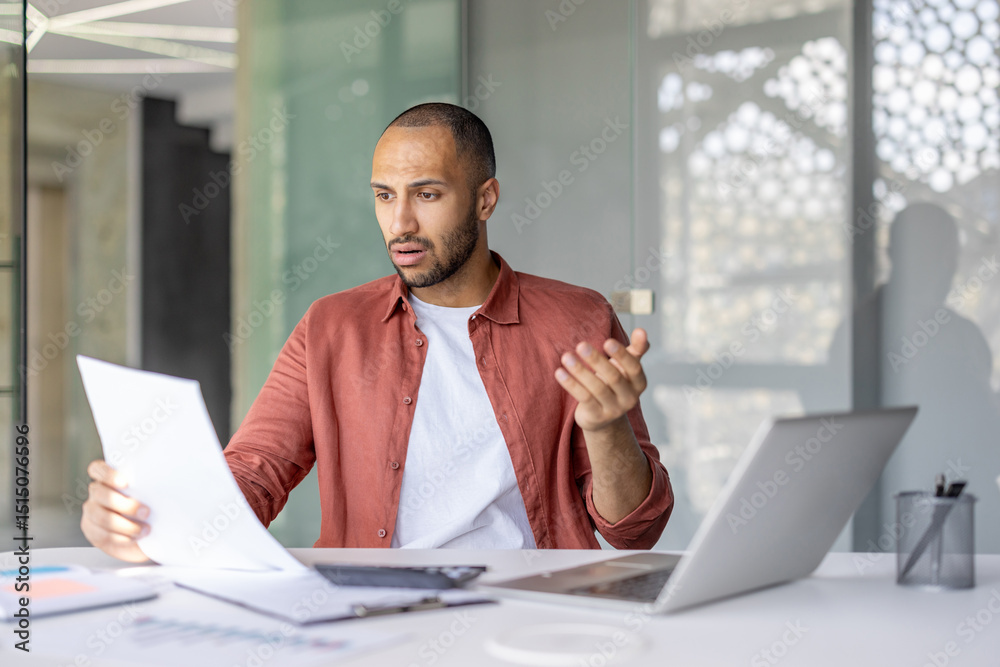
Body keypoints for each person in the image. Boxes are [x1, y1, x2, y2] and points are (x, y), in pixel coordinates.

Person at [81, 103, 674, 561]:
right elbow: (256, 471)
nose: (400, 222)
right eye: (385, 196)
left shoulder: (577, 320)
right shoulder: (331, 325)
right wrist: (152, 522)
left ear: (485, 199)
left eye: (427, 194)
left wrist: (606, 429)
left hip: (531, 613)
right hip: (374, 610)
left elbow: (635, 531)